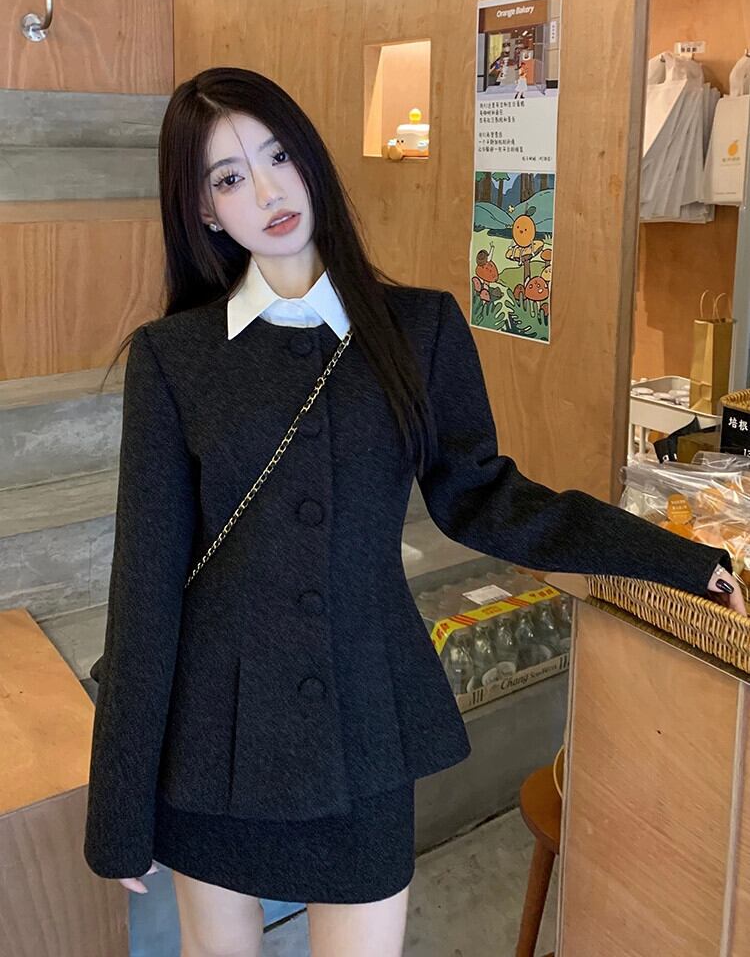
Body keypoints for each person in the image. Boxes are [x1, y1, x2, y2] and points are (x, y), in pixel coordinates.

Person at [82, 66, 746, 957]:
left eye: (278, 157)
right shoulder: (174, 358)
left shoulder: (419, 329)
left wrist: (676, 558)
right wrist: (119, 807)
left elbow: (486, 498)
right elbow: (146, 585)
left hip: (362, 717)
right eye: (230, 177)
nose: (268, 192)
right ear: (204, 209)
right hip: (215, 733)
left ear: (311, 160)